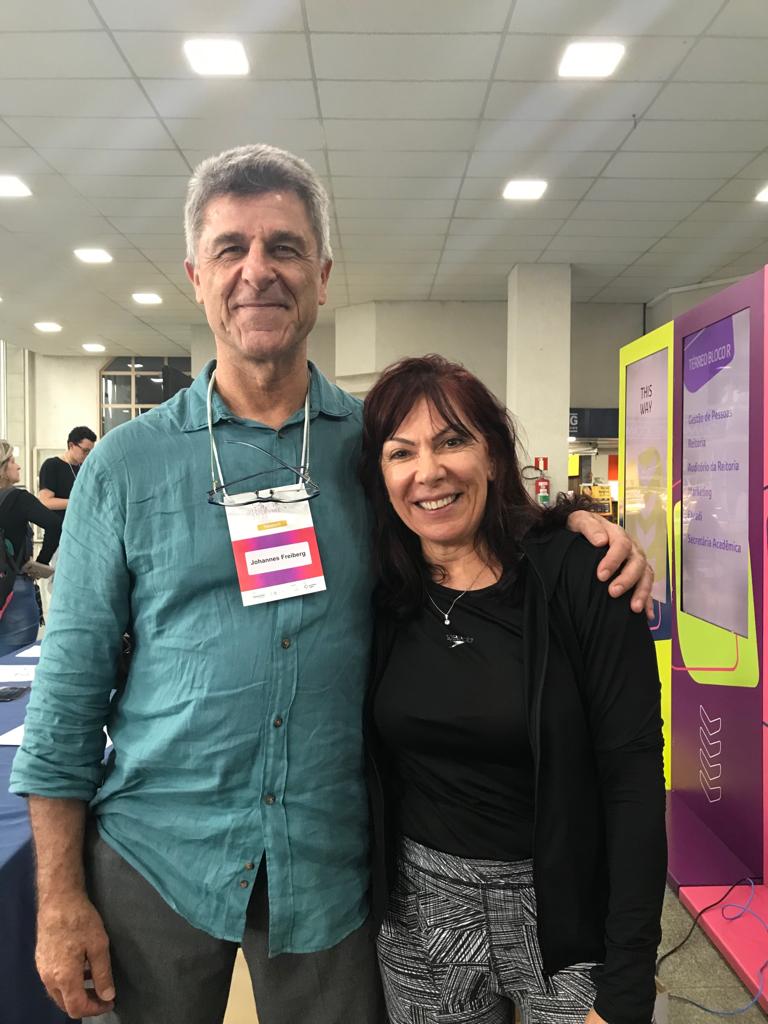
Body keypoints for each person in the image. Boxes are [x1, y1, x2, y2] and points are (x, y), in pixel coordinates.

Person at [10, 144, 651, 1024]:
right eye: (231, 249)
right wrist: (57, 899)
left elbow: (474, 529)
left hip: (330, 866)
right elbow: (67, 698)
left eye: (284, 247)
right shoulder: (126, 466)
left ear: (321, 275)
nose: (258, 271)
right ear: (197, 276)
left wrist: (576, 525)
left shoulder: (376, 450)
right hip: (157, 859)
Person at [360, 355, 667, 1024]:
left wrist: (628, 983)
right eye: (400, 452)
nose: (428, 471)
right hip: (422, 918)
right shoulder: (378, 593)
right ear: (380, 477)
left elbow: (634, 783)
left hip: (565, 915)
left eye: (452, 441)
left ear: (495, 456)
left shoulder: (585, 577)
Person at [0, 442, 61, 656]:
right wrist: (41, 563)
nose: (18, 466)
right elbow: (55, 525)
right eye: (12, 461)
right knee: (12, 664)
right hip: (13, 590)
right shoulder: (18, 499)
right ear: (2, 467)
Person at [38, 425, 97, 521]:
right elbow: (45, 501)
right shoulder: (52, 465)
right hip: (59, 526)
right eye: (85, 450)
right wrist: (77, 502)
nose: (88, 455)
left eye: (91, 451)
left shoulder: (85, 467)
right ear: (71, 445)